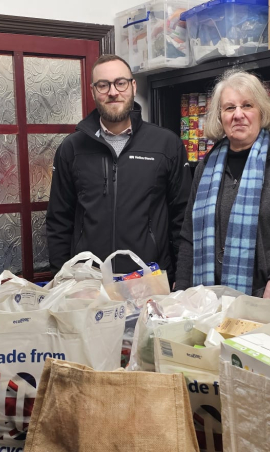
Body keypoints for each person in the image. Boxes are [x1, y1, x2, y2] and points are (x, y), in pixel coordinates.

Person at [175, 70, 270, 315]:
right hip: (206, 306)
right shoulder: (206, 167)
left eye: (247, 105)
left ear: (262, 112)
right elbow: (189, 237)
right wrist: (181, 292)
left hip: (265, 303)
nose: (238, 115)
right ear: (220, 116)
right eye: (229, 108)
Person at [47, 54, 191, 283]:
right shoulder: (72, 148)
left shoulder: (166, 144)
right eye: (103, 85)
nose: (113, 92)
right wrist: (61, 279)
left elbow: (182, 219)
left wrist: (181, 280)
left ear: (133, 86)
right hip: (89, 282)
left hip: (149, 280)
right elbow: (58, 221)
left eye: (120, 83)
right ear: (93, 91)